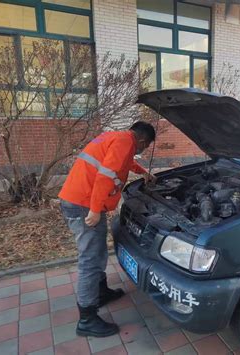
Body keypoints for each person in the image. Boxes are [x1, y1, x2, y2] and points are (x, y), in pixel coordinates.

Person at [58, 121, 156, 337]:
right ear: (142, 140)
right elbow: (105, 175)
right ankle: (87, 319)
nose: (143, 150)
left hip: (78, 199)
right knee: (90, 260)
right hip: (84, 204)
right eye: (146, 146)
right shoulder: (125, 142)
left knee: (98, 251)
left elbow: (124, 163)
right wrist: (94, 210)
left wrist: (143, 172)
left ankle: (100, 292)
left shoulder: (116, 137)